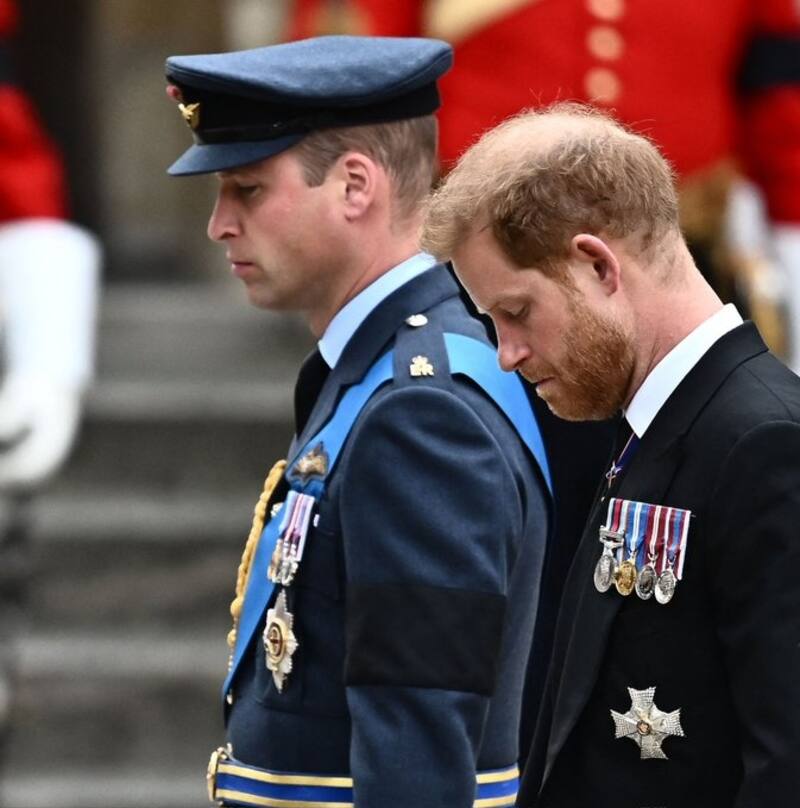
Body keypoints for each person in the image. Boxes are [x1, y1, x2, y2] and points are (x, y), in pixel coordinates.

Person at [164, 35, 552, 808]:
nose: (219, 225)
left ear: (353, 186)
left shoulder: (420, 413)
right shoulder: (380, 373)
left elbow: (418, 752)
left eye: (247, 190)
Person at [421, 102, 800, 807]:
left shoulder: (764, 444)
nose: (506, 355)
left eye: (516, 312)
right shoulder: (658, 426)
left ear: (597, 264)